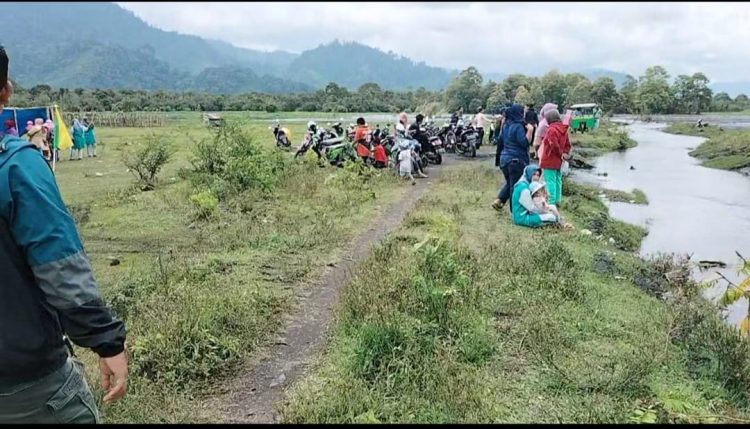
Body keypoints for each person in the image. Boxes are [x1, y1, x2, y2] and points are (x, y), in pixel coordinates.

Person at [0, 44, 128, 424]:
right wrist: (106, 340)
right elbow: (60, 268)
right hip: (27, 383)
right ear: (6, 90)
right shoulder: (17, 168)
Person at [492, 104, 534, 212]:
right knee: (515, 187)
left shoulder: (506, 125)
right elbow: (524, 143)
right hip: (516, 160)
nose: (524, 114)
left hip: (504, 159)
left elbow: (500, 139)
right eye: (523, 112)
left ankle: (500, 200)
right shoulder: (518, 126)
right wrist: (530, 131)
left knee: (511, 182)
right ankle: (514, 211)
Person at [539, 108, 571, 206]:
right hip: (559, 160)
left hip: (550, 159)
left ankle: (551, 202)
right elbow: (568, 145)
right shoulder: (564, 129)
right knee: (558, 179)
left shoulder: (551, 130)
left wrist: (559, 153)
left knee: (550, 181)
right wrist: (564, 154)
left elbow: (553, 144)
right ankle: (558, 200)